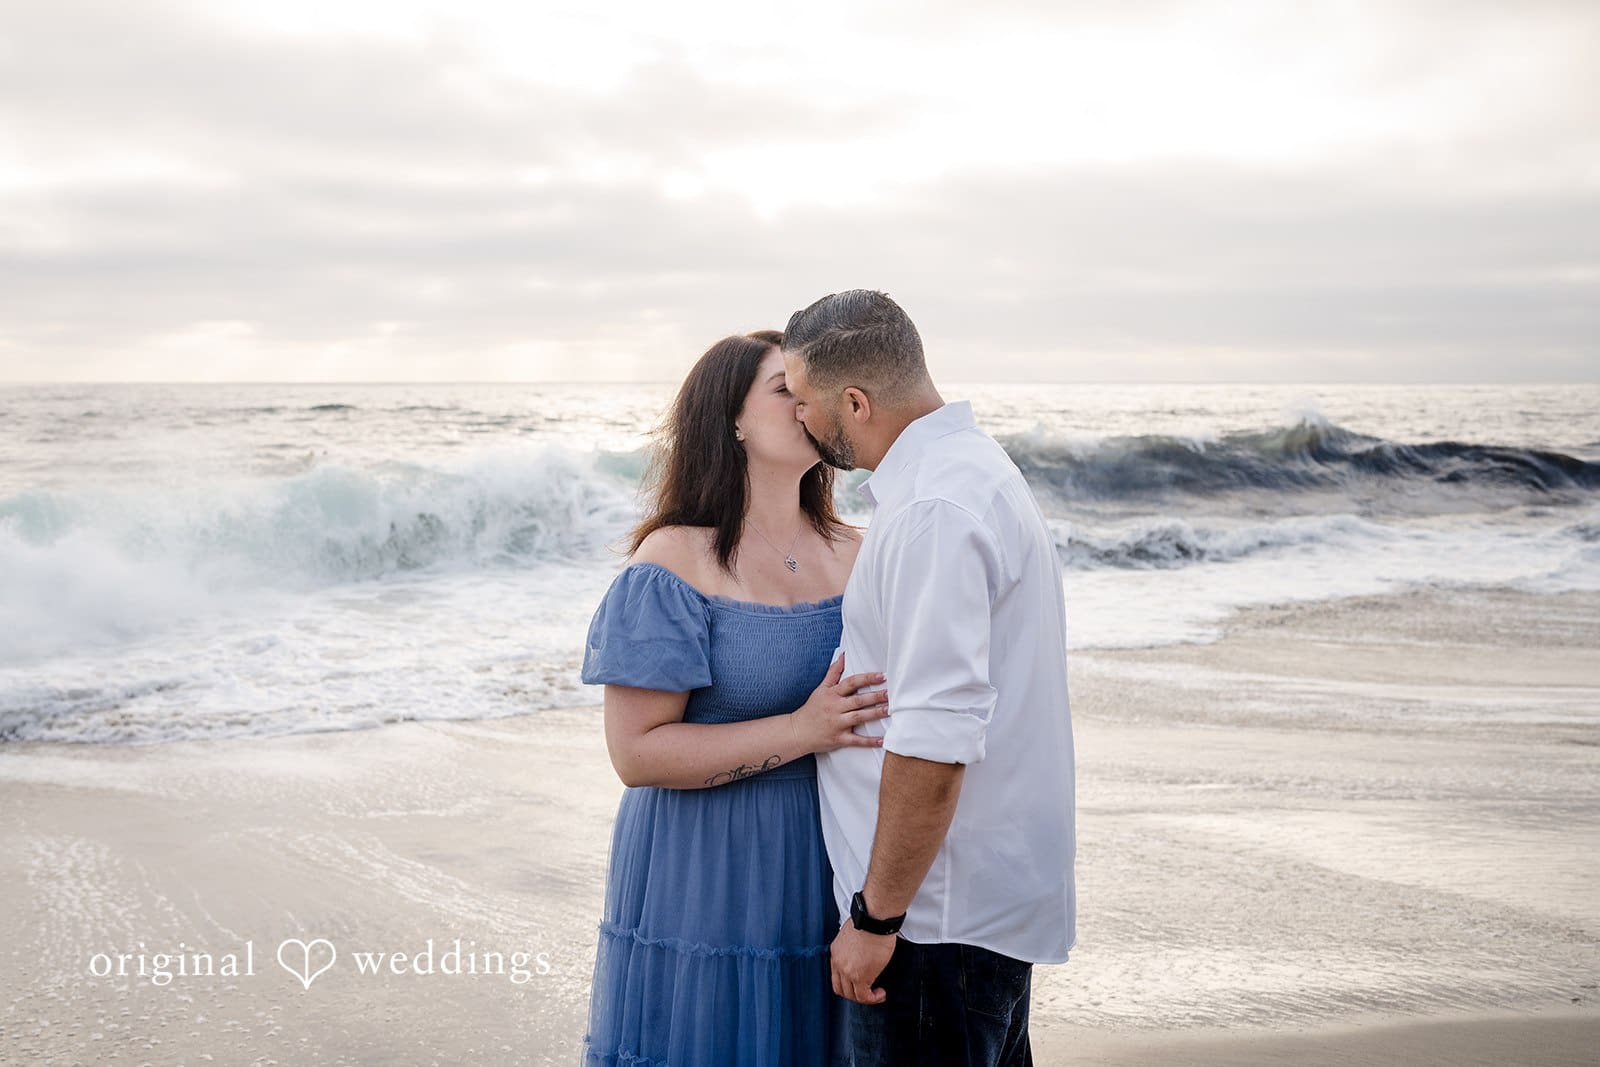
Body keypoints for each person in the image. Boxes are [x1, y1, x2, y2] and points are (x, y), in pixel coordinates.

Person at [577, 329, 891, 1067]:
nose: (808, 403)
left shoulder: (865, 552)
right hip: (706, 867)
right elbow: (636, 754)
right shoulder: (671, 563)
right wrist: (802, 728)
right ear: (732, 420)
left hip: (833, 853)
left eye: (812, 388)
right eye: (785, 390)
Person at [781, 291, 1077, 1066]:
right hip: (965, 913)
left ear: (855, 402)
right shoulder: (971, 472)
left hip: (931, 928)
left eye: (804, 401)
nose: (798, 418)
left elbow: (935, 740)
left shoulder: (932, 509)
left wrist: (875, 919)